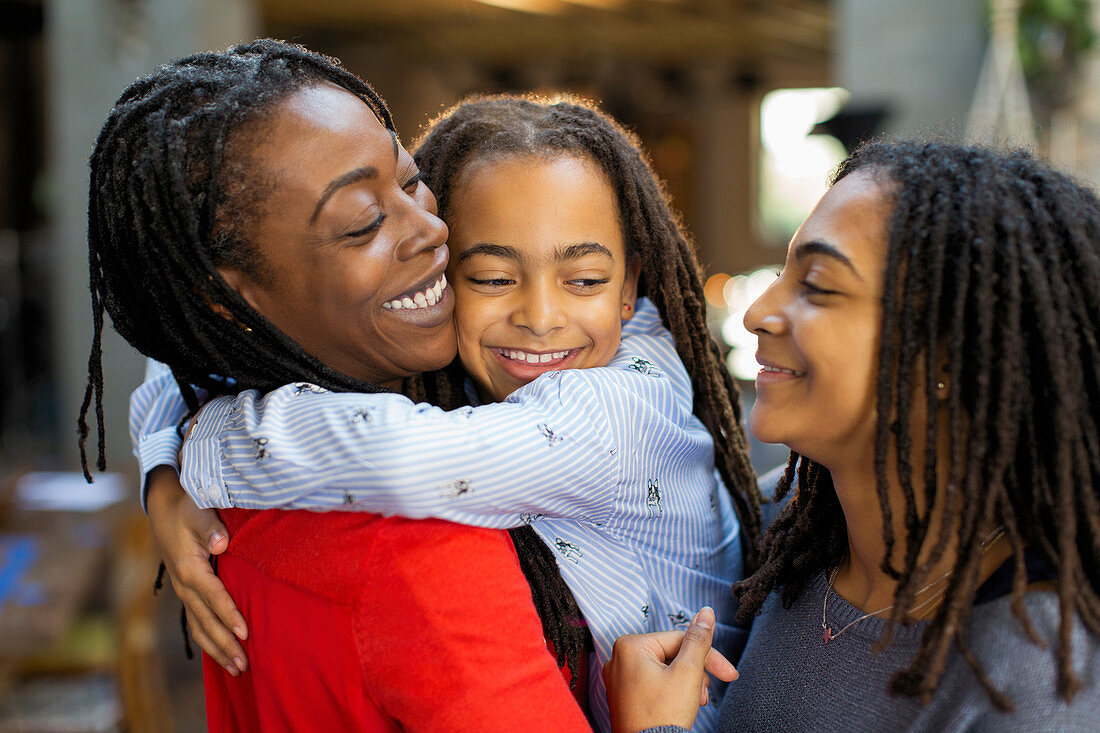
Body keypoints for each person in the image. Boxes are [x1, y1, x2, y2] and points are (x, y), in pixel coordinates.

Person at [132, 94, 761, 731]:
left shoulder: (616, 411)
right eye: (491, 278)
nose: (540, 318)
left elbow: (400, 460)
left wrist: (198, 440)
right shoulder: (496, 364)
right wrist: (160, 473)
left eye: (584, 281)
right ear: (437, 276)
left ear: (630, 288)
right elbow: (187, 354)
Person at [85, 39, 595, 731]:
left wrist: (165, 467)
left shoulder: (222, 497)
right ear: (228, 303)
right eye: (363, 222)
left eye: (410, 179)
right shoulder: (422, 549)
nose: (432, 227)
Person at [604, 141, 1100, 732]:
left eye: (817, 285)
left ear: (947, 355)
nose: (758, 311)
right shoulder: (781, 530)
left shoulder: (1038, 677)